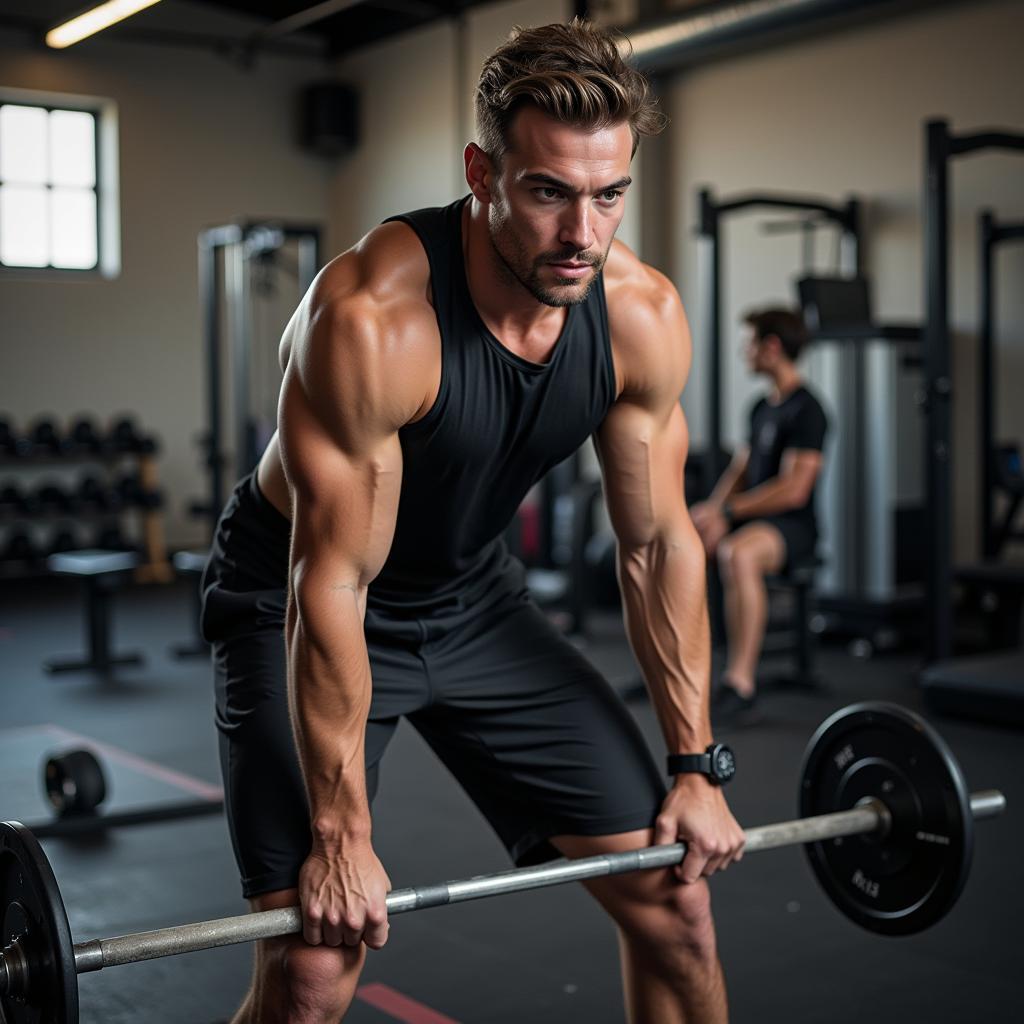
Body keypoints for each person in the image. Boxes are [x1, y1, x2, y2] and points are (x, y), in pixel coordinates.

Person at [202, 19, 744, 1024]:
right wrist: (338, 833)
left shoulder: (639, 316)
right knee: (316, 968)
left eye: (608, 194)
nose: (583, 232)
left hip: (473, 600)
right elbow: (330, 584)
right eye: (548, 192)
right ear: (482, 172)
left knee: (678, 908)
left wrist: (694, 765)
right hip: (299, 593)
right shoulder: (372, 319)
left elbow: (657, 542)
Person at [690, 309, 828, 726]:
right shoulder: (760, 407)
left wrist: (730, 513)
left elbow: (794, 488)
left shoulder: (809, 411)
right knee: (686, 545)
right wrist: (712, 511)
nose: (743, 352)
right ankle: (681, 671)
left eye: (750, 343)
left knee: (738, 554)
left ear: (771, 347)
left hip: (794, 527)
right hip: (754, 519)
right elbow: (741, 471)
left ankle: (740, 682)